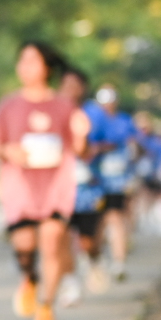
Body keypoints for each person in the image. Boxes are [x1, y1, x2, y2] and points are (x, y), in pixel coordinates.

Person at [0, 42, 92, 320]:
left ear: (47, 67)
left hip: (56, 187)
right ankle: (29, 278)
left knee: (52, 243)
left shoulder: (65, 106)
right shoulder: (8, 105)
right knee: (24, 245)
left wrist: (82, 135)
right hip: (20, 189)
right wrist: (7, 151)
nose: (25, 67)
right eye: (22, 60)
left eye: (32, 61)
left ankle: (46, 305)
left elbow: (81, 150)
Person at [60, 66, 107, 298]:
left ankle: (94, 260)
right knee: (61, 235)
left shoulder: (96, 114)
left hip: (90, 185)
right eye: (66, 85)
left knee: (88, 240)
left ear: (83, 88)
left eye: (75, 85)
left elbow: (112, 143)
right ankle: (70, 281)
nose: (70, 90)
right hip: (60, 188)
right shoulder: (53, 111)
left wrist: (89, 148)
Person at [92, 85, 138, 280]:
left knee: (116, 217)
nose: (108, 106)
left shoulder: (124, 121)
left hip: (118, 180)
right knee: (98, 222)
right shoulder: (92, 120)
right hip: (94, 180)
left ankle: (119, 262)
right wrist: (103, 147)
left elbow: (134, 145)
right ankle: (95, 259)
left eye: (111, 101)